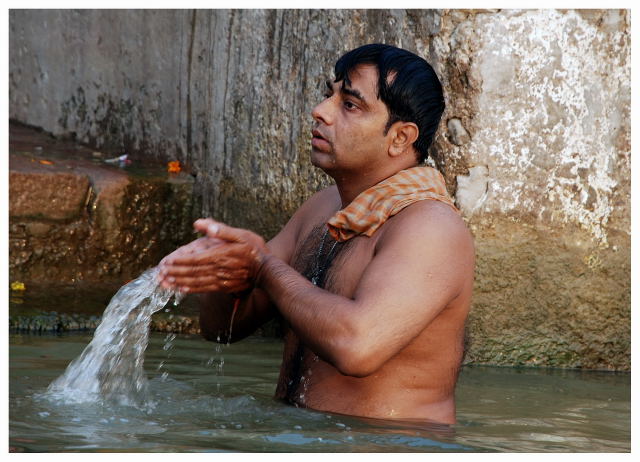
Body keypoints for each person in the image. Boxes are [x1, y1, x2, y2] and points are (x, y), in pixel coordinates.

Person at [158, 44, 474, 425]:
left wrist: (261, 267)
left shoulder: (431, 227)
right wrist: (224, 270)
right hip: (299, 436)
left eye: (350, 105)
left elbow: (357, 347)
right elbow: (223, 330)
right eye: (329, 95)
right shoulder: (322, 208)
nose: (321, 111)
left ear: (400, 138)